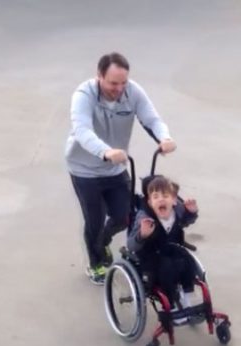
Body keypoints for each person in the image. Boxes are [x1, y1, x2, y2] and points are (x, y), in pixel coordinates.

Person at [66, 52, 176, 285]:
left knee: (124, 216)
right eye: (113, 83)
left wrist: (164, 138)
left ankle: (102, 241)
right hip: (84, 169)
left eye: (123, 82)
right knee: (94, 221)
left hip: (115, 169)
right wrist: (105, 152)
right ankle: (96, 262)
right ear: (99, 76)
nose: (119, 88)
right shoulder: (83, 95)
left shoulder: (133, 92)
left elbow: (152, 119)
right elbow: (82, 130)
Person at [127, 176, 199, 324]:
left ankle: (186, 300)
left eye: (165, 196)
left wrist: (191, 213)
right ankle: (171, 306)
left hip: (172, 249)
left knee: (188, 262)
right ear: (149, 202)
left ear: (173, 200)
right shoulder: (144, 217)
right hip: (151, 256)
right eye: (155, 197)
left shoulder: (177, 209)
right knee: (167, 268)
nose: (161, 200)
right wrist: (142, 235)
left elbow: (184, 222)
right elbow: (131, 245)